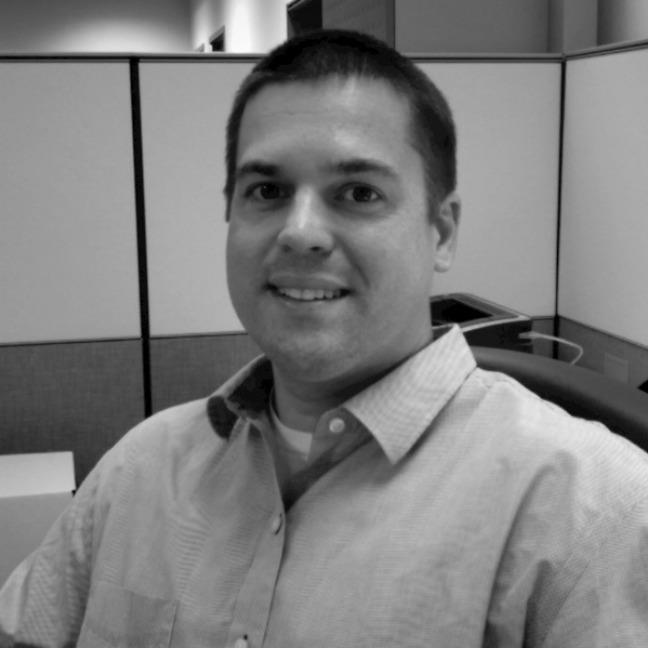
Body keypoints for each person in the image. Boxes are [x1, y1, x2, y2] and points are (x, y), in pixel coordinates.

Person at [1, 29, 648, 648]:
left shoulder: (597, 515)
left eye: (359, 193)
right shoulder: (138, 472)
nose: (300, 231)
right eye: (267, 191)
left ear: (442, 232)